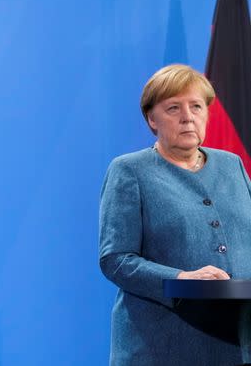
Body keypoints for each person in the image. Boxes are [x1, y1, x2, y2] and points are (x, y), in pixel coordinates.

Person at [99, 63, 251, 365]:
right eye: (173, 108)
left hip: (238, 344)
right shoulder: (129, 171)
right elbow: (115, 260)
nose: (187, 118)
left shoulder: (232, 165)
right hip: (162, 346)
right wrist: (181, 278)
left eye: (196, 106)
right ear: (151, 119)